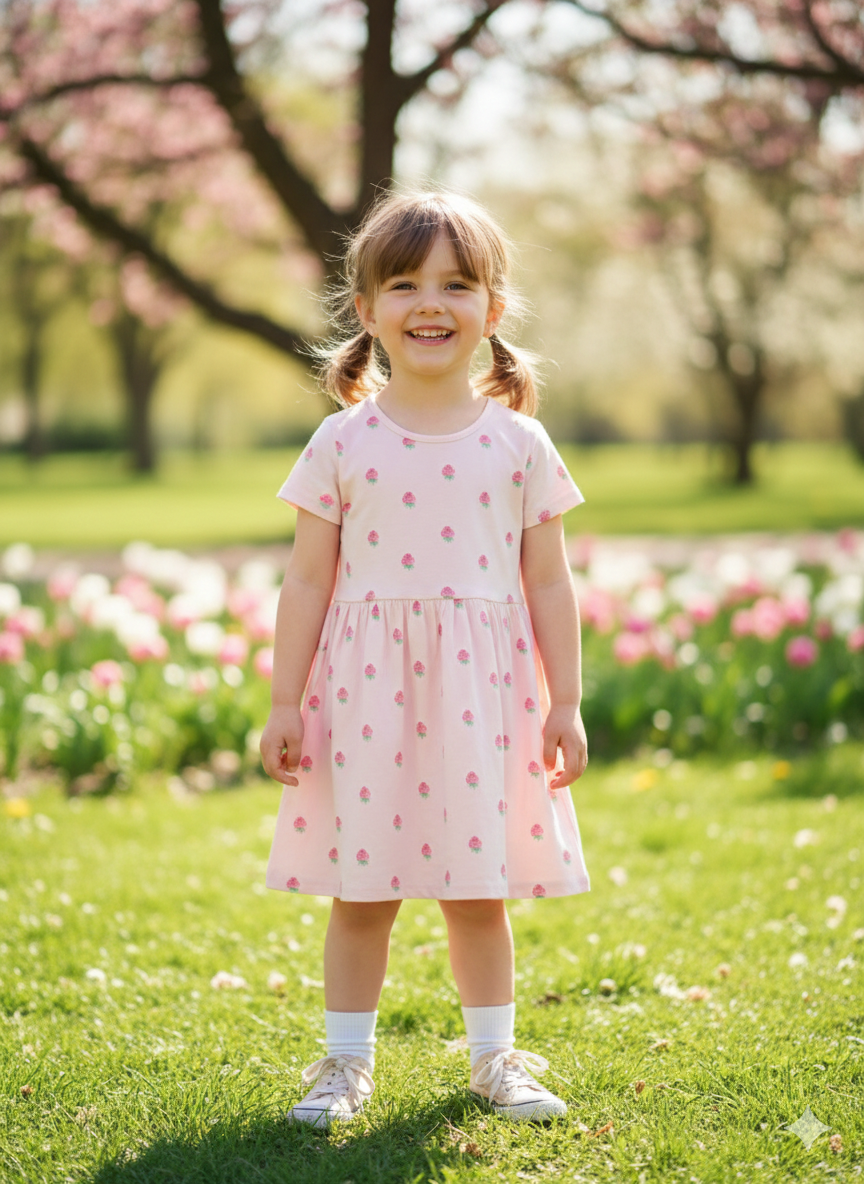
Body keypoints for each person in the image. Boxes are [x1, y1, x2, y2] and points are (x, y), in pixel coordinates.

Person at [260, 189, 589, 1129]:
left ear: (491, 307)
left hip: (484, 697)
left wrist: (563, 702)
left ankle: (495, 1059)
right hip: (364, 693)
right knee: (363, 892)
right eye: (403, 284)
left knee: (477, 890)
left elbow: (552, 586)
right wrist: (286, 704)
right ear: (366, 312)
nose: (430, 303)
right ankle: (344, 1066)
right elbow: (308, 586)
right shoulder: (342, 441)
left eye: (456, 283)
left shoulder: (518, 443)